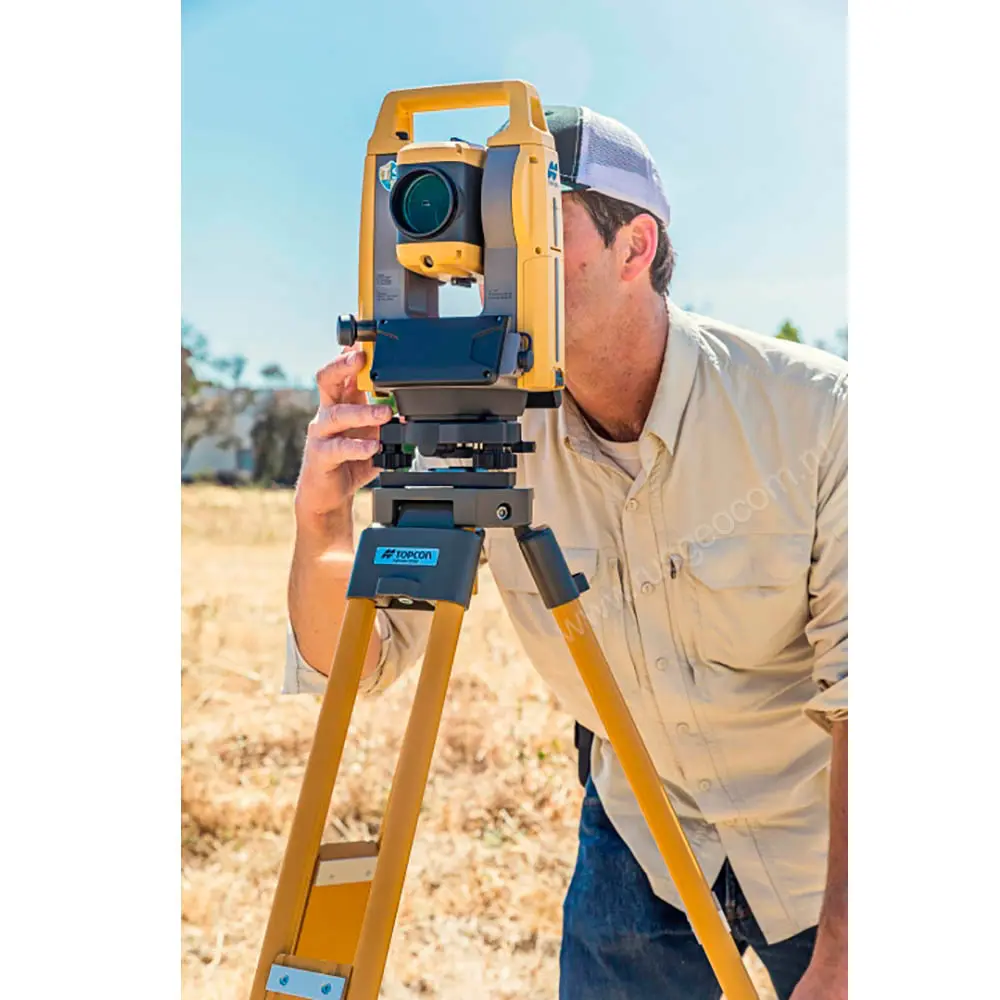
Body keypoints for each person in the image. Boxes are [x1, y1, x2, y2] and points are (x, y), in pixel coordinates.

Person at [283, 105, 847, 1000]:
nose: (497, 265)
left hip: (823, 847)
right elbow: (360, 663)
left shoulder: (816, 414)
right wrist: (322, 523)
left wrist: (846, 956)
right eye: (484, 231)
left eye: (531, 225)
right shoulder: (478, 426)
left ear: (635, 247)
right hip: (641, 839)